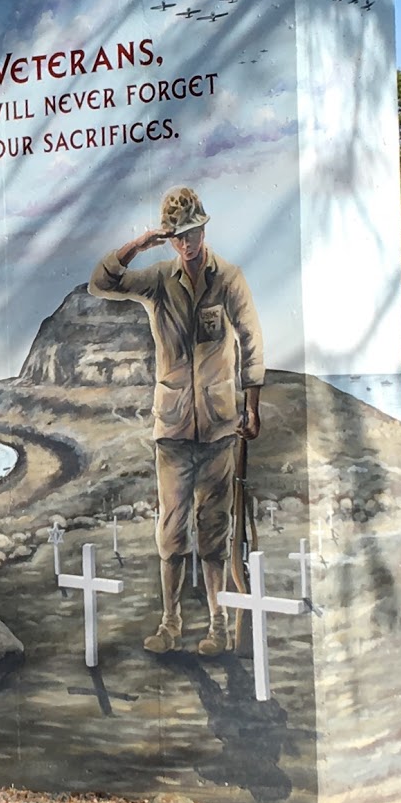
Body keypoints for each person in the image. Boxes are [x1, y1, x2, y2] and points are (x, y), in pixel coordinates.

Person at [89, 186, 263, 656]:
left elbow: (250, 338)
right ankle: (170, 624)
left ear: (204, 228)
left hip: (219, 425)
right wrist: (137, 246)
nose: (188, 243)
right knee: (171, 528)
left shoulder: (228, 277)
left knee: (213, 528)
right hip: (172, 426)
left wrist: (252, 404)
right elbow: (101, 283)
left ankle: (219, 624)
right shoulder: (159, 279)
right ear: (170, 240)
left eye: (193, 232)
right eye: (178, 236)